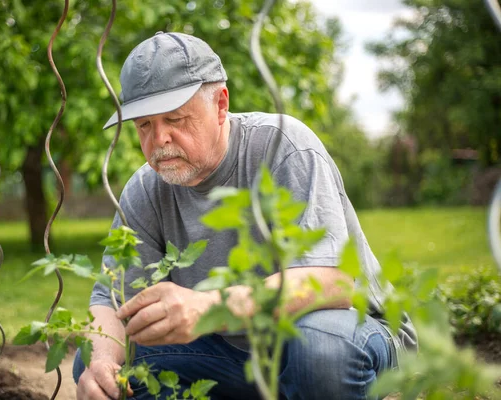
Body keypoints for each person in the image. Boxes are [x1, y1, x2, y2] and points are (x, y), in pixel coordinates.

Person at [73, 32, 417, 400]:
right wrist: (103, 361)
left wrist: (209, 306)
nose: (159, 140)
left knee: (322, 349)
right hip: (233, 355)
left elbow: (333, 282)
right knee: (97, 366)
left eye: (175, 119)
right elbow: (112, 303)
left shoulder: (282, 147)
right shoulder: (144, 190)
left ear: (221, 104)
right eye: (144, 125)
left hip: (348, 334)